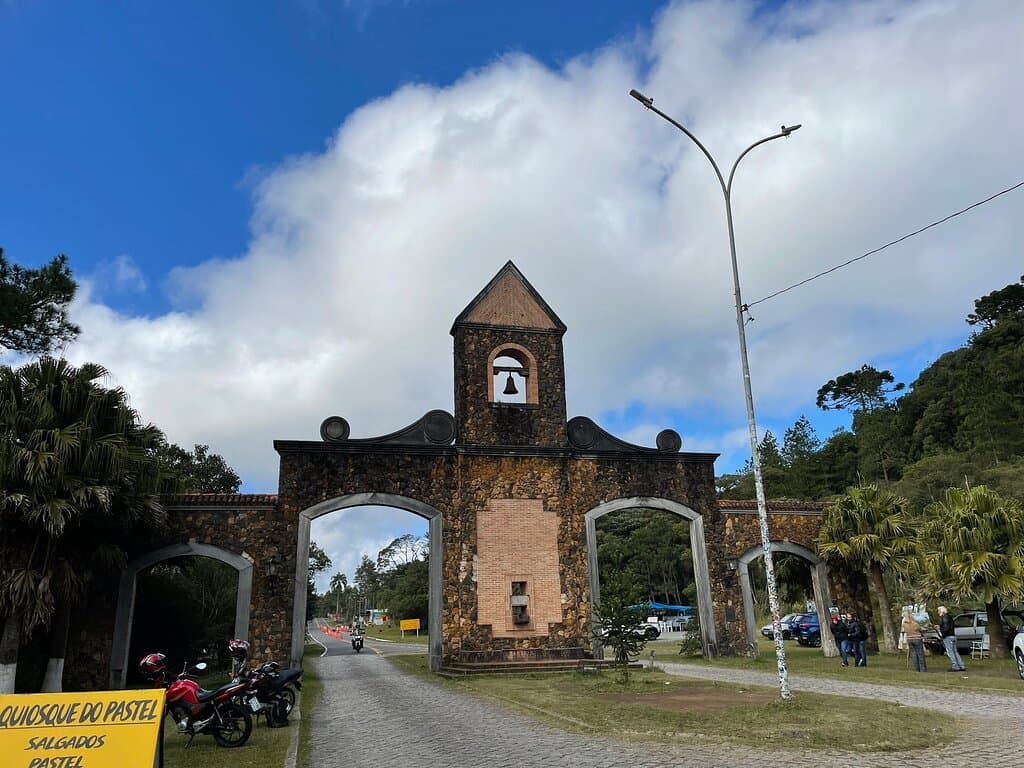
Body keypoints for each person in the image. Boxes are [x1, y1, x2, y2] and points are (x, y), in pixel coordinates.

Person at [936, 606, 966, 672]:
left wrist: (942, 634)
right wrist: (940, 627)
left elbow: (946, 628)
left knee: (950, 652)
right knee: (955, 651)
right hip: (953, 636)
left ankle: (955, 666)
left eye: (938, 611)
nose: (938, 613)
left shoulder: (944, 618)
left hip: (948, 637)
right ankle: (961, 665)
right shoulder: (949, 617)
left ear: (942, 611)